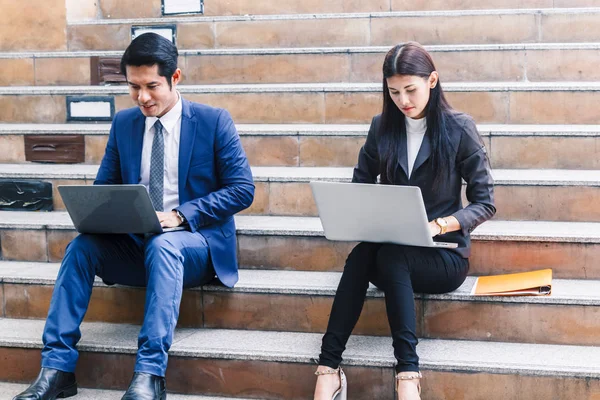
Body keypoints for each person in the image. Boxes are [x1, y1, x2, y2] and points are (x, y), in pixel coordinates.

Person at [13, 33, 254, 400]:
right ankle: (57, 369)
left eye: (151, 86)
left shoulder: (213, 121)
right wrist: (102, 214)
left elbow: (242, 189)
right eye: (133, 86)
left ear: (175, 78)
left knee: (164, 245)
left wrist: (180, 215)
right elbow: (104, 188)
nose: (142, 97)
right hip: (137, 246)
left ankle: (150, 375)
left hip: (192, 248)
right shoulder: (125, 124)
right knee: (82, 248)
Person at [312, 42, 495, 400]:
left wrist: (441, 224)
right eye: (394, 91)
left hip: (443, 256)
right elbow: (360, 186)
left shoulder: (459, 128)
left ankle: (408, 374)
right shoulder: (382, 127)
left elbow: (485, 203)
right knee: (364, 254)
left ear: (433, 80)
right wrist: (359, 215)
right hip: (392, 251)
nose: (403, 99)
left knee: (390, 256)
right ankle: (328, 368)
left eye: (411, 89)